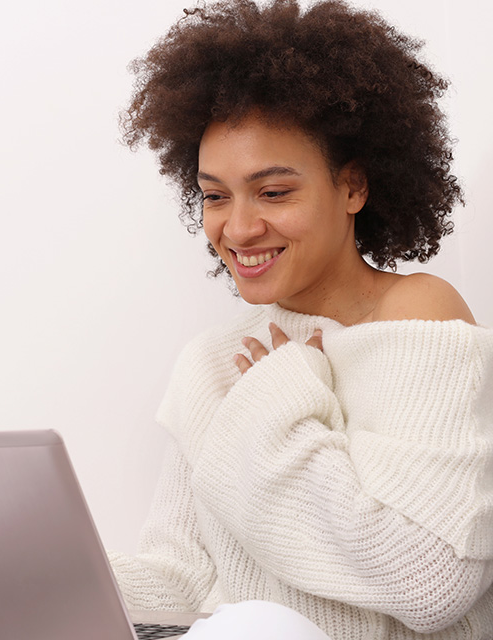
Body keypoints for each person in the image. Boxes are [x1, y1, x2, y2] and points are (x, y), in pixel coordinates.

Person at [107, 1, 493, 639]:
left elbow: (431, 581)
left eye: (274, 191)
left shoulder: (419, 315)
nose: (238, 227)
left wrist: (281, 395)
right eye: (214, 195)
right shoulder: (212, 362)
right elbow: (178, 579)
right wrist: (34, 569)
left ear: (352, 187)